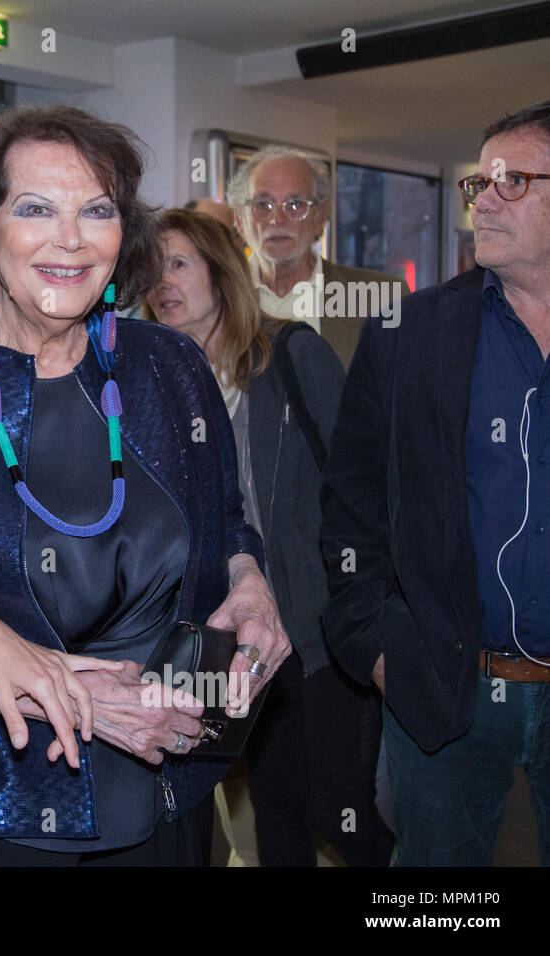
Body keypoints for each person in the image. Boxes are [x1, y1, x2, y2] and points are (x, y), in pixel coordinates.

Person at [0, 105, 289, 866]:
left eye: (96, 210)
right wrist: (77, 698)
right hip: (3, 809)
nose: (70, 238)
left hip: (171, 795)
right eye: (35, 209)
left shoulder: (172, 370)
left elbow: (225, 523)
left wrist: (250, 579)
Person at [321, 99, 550, 866]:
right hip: (445, 681)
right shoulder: (408, 332)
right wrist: (377, 646)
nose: (483, 199)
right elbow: (352, 505)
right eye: (477, 184)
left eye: (512, 181)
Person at [146, 209, 393, 866]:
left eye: (179, 263)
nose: (162, 282)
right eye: (151, 268)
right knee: (265, 814)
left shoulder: (289, 354)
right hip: (213, 641)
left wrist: (365, 609)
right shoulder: (152, 385)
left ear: (221, 272)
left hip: (313, 630)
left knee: (340, 814)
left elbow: (361, 484)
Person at [227, 145, 402, 369]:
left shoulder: (380, 298)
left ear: (320, 217)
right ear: (241, 221)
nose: (277, 219)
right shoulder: (217, 299)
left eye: (295, 205)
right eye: (263, 204)